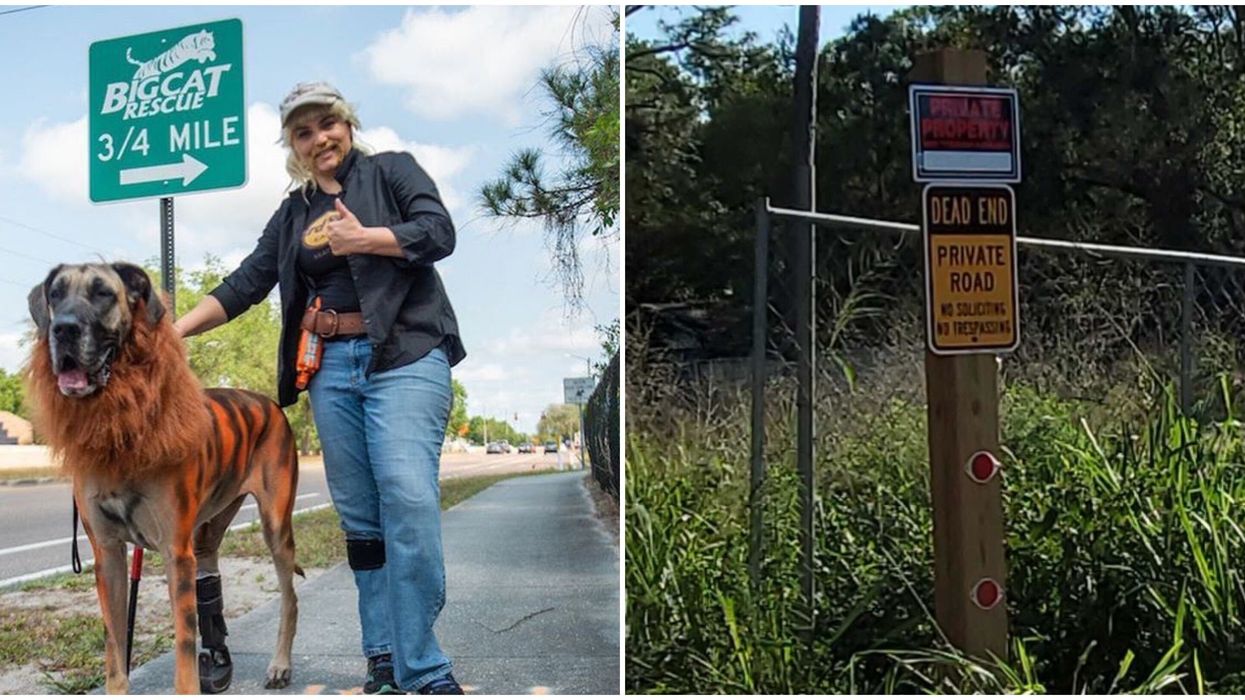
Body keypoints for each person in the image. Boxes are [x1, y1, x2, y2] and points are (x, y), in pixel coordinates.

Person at [175, 81, 466, 695]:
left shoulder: (392, 172)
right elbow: (245, 282)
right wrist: (171, 334)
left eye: (327, 124)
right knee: (360, 518)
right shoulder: (294, 212)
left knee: (407, 499)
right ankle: (382, 657)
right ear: (293, 145)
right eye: (303, 132)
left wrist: (367, 239)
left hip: (407, 353)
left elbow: (438, 232)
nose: (319, 139)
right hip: (330, 368)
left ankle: (422, 667)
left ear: (348, 124)